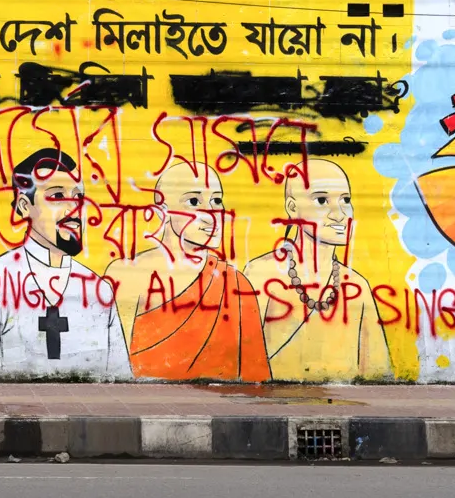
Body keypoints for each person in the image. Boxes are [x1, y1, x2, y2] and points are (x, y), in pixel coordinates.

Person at [0, 147, 131, 378]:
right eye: (57, 196)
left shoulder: (98, 289)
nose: (74, 208)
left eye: (79, 196)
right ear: (24, 206)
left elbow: (120, 378)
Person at [107, 159, 269, 382]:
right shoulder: (127, 275)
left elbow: (255, 375)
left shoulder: (236, 284)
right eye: (194, 201)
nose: (211, 214)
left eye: (216, 201)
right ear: (162, 212)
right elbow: (113, 366)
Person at [243, 158, 393, 381]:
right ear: (292, 208)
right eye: (322, 200)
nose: (339, 213)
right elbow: (240, 364)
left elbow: (377, 374)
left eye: (346, 200)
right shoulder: (261, 275)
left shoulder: (357, 287)